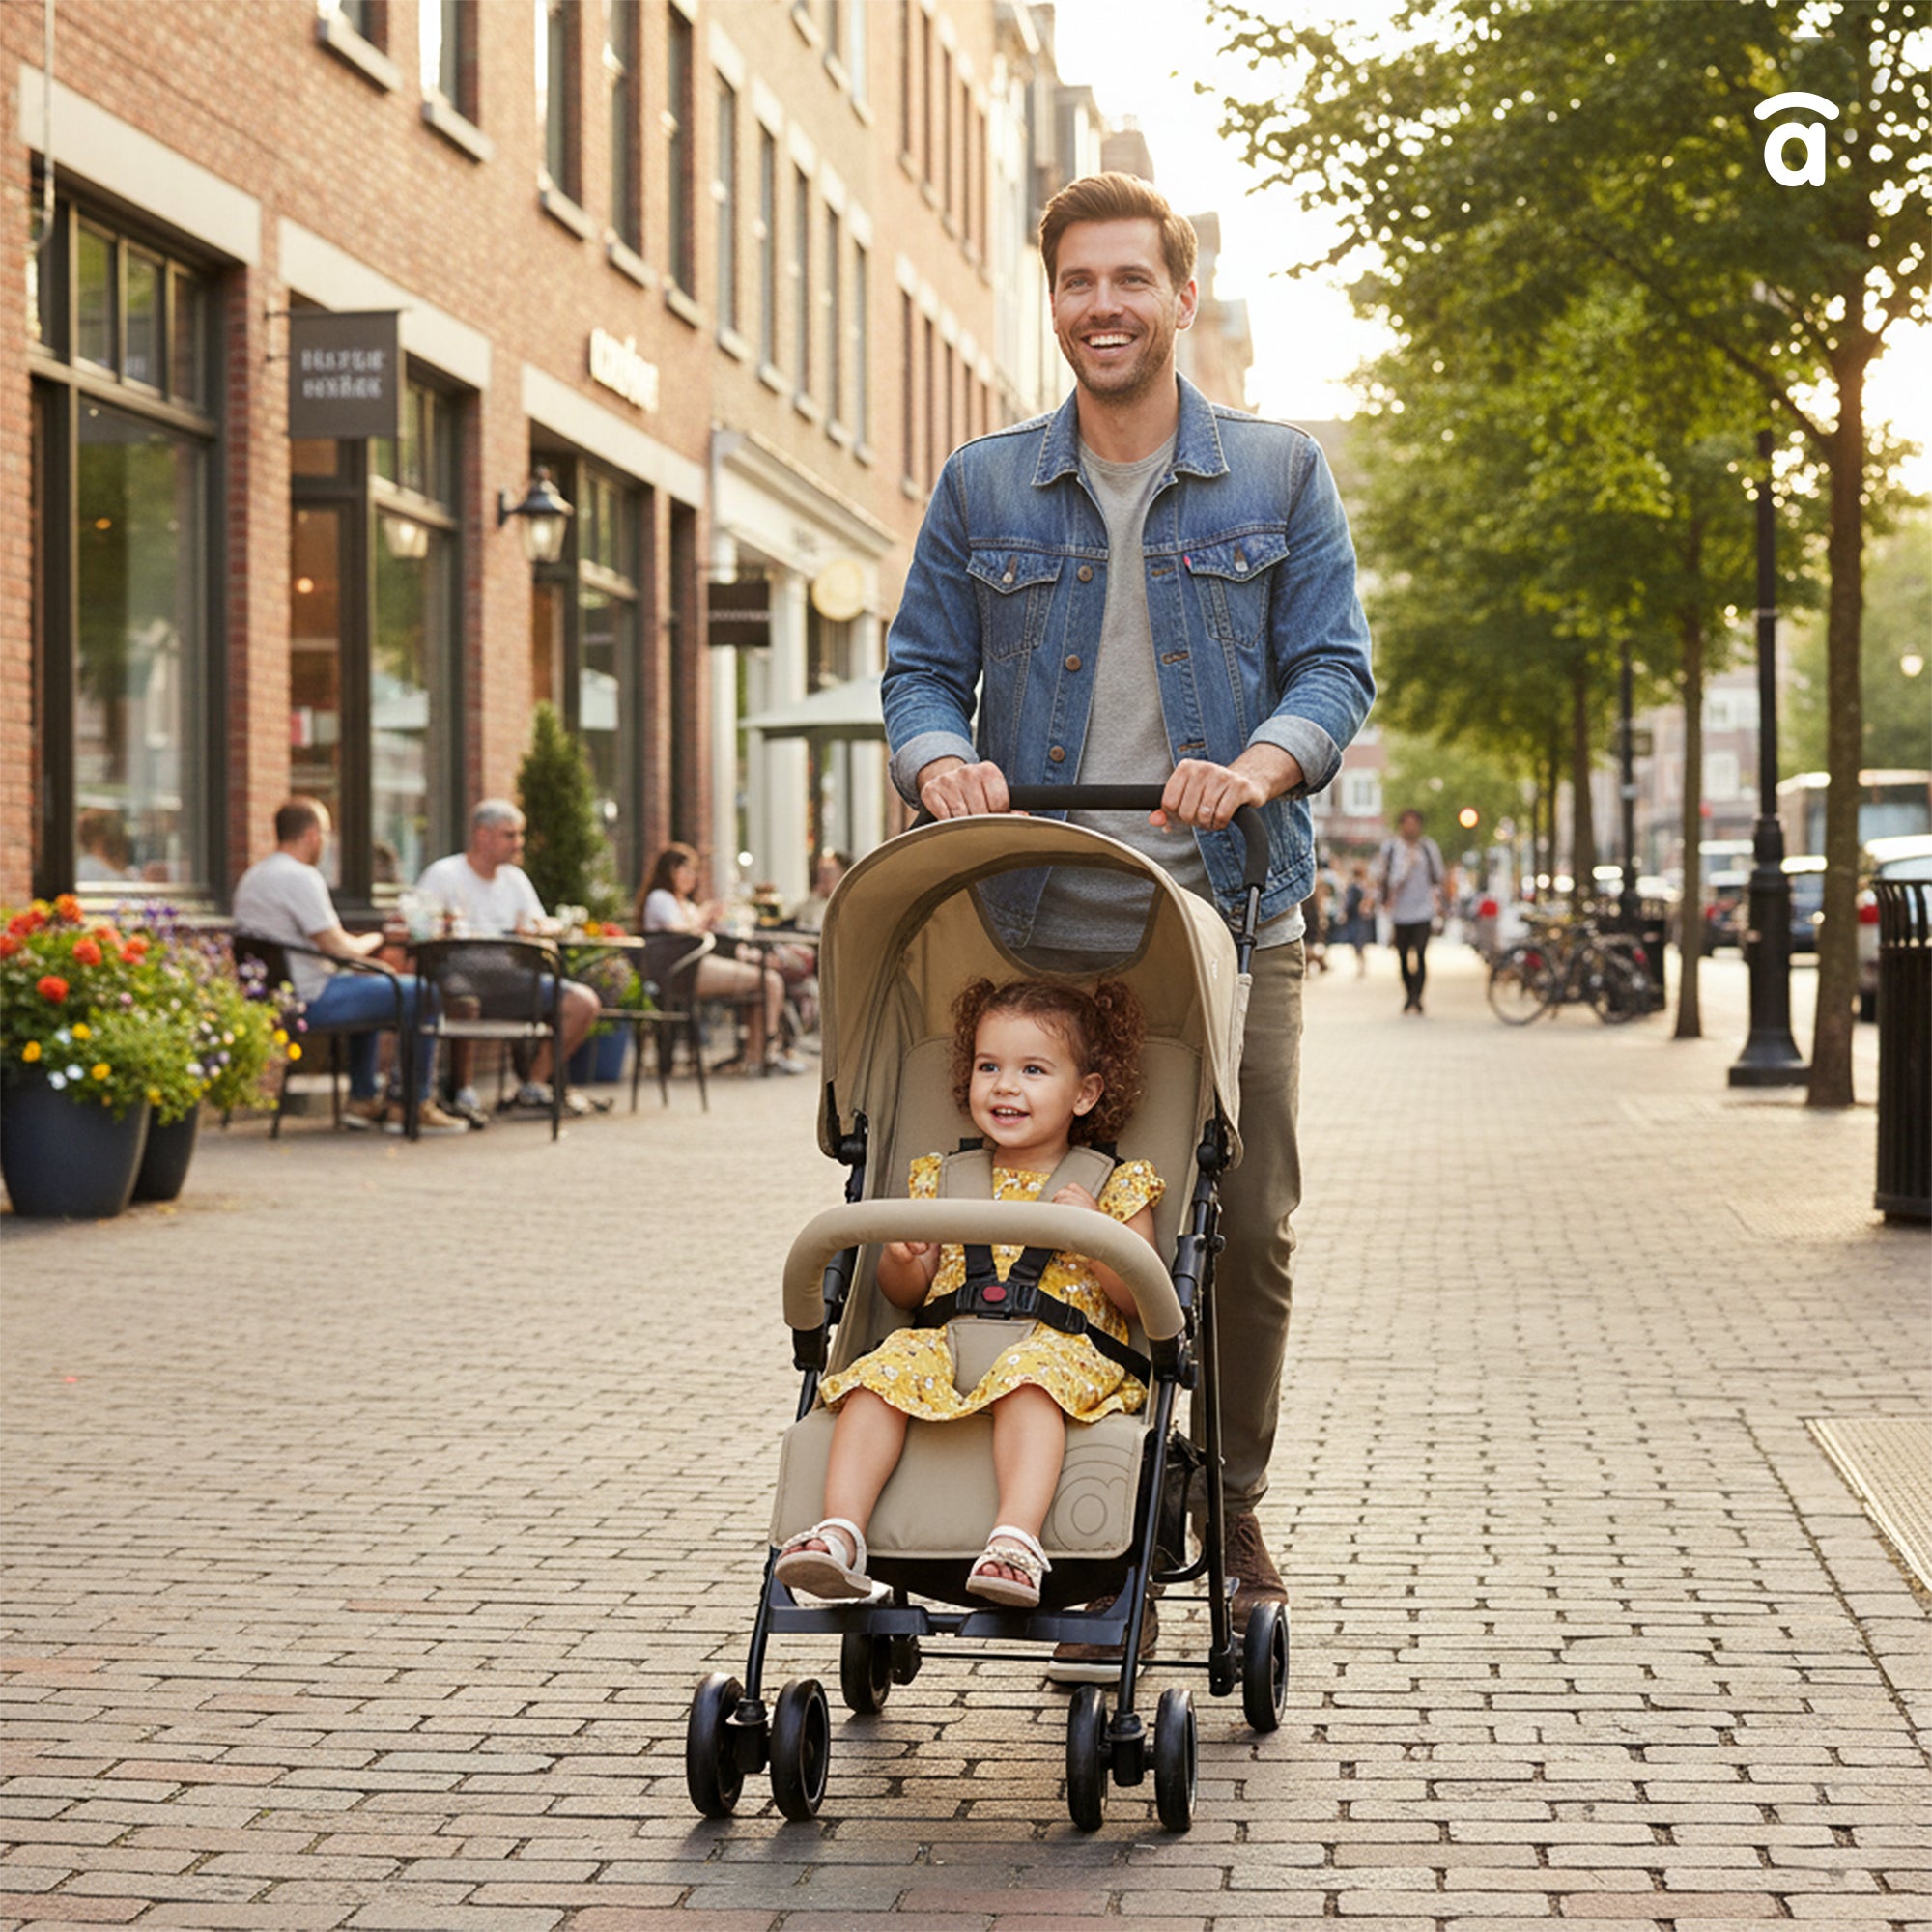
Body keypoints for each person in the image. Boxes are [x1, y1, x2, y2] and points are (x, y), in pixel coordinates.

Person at [881, 170, 1374, 1673]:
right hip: (1033, 906)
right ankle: (1011, 1474)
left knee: (1246, 1224)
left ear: (1179, 295)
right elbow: (916, 671)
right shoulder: (981, 487)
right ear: (1057, 301)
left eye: (1130, 281)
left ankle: (1225, 1507)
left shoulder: (1278, 476)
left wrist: (1262, 764)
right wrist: (937, 757)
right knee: (1002, 1203)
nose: (1104, 306)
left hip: (1230, 910)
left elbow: (1334, 670)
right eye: (1078, 282)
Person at [775, 978, 1162, 1609]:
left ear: (1086, 1093)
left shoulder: (1114, 1186)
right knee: (881, 1374)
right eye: (989, 1067)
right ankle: (839, 1533)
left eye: (1033, 1070)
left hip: (1060, 1351)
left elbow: (1137, 1297)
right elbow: (906, 1294)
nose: (1005, 1085)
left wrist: (1097, 1233)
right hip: (949, 1343)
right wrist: (905, 1260)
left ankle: (1015, 1541)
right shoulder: (943, 1179)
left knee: (1029, 1377)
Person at [231, 798, 469, 1134]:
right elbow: (338, 947)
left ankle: (362, 1101)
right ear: (312, 835)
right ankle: (411, 1105)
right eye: (326, 834)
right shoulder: (299, 877)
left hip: (273, 1000)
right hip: (309, 1001)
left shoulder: (255, 876)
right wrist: (377, 938)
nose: (326, 844)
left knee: (368, 985)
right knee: (423, 994)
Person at [414, 800, 603, 1122]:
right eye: (510, 835)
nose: (519, 844)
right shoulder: (444, 874)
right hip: (459, 977)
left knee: (583, 1003)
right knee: (464, 997)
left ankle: (532, 1085)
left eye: (519, 835)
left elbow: (544, 922)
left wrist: (538, 929)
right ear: (482, 835)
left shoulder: (515, 879)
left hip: (516, 981)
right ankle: (462, 1089)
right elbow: (419, 924)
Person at [635, 842, 802, 1074]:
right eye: (688, 871)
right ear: (672, 870)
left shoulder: (685, 903)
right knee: (770, 981)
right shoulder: (661, 898)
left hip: (695, 966)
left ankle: (756, 1055)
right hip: (682, 970)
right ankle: (768, 1052)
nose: (693, 877)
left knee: (763, 982)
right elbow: (680, 932)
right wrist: (705, 917)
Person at [1378, 808, 1446, 1015]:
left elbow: (1439, 876)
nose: (1411, 827)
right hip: (1400, 912)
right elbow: (1383, 877)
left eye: (1414, 823)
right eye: (1407, 823)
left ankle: (1417, 997)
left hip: (1423, 910)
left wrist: (1442, 904)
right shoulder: (1391, 849)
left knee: (1421, 952)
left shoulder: (1428, 848)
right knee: (1402, 956)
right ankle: (1408, 994)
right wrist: (1404, 868)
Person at [788, 849, 851, 935]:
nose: (823, 876)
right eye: (821, 871)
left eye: (829, 872)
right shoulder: (813, 901)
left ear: (842, 874)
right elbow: (794, 916)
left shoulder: (849, 903)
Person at [1341, 861, 1375, 977]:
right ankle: (1362, 966)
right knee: (1360, 942)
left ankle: (1361, 966)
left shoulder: (1354, 886)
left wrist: (1344, 913)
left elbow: (1349, 902)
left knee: (1357, 942)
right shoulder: (1363, 886)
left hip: (1355, 917)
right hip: (1361, 917)